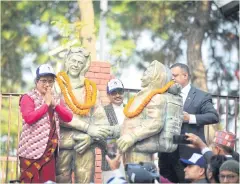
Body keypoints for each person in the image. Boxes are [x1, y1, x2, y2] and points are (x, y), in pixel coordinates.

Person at [55, 47, 111, 183]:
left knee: (85, 180)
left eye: (80, 62)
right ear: (67, 61)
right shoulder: (56, 85)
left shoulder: (91, 89)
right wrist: (88, 128)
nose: (75, 65)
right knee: (61, 179)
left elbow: (103, 121)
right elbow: (58, 115)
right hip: (62, 144)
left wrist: (91, 138)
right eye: (73, 60)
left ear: (84, 66)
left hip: (85, 144)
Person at [158, 63, 219, 183]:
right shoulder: (164, 95)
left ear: (185, 76)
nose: (171, 79)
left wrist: (189, 118)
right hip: (165, 155)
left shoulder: (201, 96)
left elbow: (213, 116)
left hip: (188, 155)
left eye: (174, 75)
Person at [117, 60, 183, 164]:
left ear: (156, 76)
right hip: (129, 148)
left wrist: (132, 136)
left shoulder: (156, 98)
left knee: (140, 178)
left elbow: (155, 124)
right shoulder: (141, 95)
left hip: (140, 151)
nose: (144, 73)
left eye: (148, 71)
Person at [18, 63, 73, 183]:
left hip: (49, 151)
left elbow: (69, 117)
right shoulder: (28, 97)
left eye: (50, 81)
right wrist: (46, 105)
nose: (47, 84)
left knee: (48, 182)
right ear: (36, 82)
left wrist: (55, 105)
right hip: (30, 151)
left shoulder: (56, 98)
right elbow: (29, 118)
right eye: (44, 81)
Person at [102, 79, 126, 183]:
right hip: (110, 159)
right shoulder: (103, 111)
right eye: (113, 93)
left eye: (120, 92)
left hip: (128, 158)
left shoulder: (130, 109)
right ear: (108, 95)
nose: (117, 95)